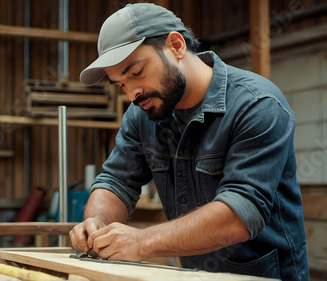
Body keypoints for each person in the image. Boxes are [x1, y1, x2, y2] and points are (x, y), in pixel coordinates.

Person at [69, 3, 309, 280]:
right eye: (121, 84)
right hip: (195, 275)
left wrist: (140, 242)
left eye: (136, 72)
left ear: (176, 45)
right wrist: (96, 222)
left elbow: (240, 215)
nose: (132, 93)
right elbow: (116, 181)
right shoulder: (141, 114)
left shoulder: (257, 105)